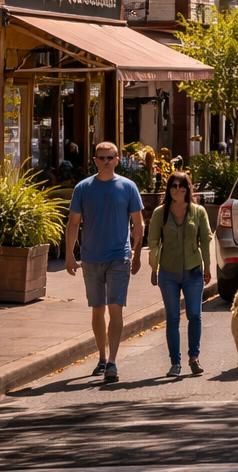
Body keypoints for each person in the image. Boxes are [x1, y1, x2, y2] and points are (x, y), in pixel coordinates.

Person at [65, 142, 145, 384]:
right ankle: (101, 356)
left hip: (119, 257)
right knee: (97, 308)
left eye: (110, 157)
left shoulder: (128, 187)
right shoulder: (83, 188)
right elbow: (73, 223)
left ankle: (112, 361)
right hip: (90, 258)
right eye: (101, 158)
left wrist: (137, 253)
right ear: (95, 160)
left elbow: (139, 224)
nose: (106, 161)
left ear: (117, 160)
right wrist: (70, 254)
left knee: (115, 307)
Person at [148, 171, 212, 377]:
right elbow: (153, 242)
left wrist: (208, 267)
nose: (177, 189)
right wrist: (153, 268)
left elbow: (205, 242)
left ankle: (194, 357)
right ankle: (175, 363)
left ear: (188, 188)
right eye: (174, 186)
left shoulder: (198, 212)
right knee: (173, 317)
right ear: (168, 189)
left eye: (182, 185)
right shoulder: (161, 213)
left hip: (193, 271)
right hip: (168, 272)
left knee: (194, 315)